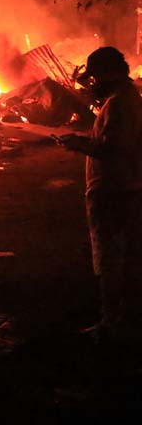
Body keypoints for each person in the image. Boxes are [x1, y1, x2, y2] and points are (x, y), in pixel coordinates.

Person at [57, 46, 142, 340]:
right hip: (124, 187)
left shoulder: (119, 104)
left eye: (95, 76)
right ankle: (124, 317)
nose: (92, 82)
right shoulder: (124, 99)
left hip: (113, 189)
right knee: (125, 256)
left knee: (109, 258)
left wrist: (77, 143)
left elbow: (112, 147)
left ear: (108, 74)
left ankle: (111, 322)